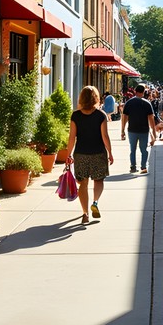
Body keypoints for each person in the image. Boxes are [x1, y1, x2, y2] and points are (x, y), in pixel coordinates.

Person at [64, 85, 114, 225]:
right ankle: (95, 202)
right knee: (98, 180)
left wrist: (68, 155)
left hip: (81, 154)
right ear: (96, 98)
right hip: (98, 153)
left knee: (83, 184)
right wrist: (110, 152)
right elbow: (105, 136)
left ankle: (85, 213)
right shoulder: (100, 115)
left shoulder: (76, 115)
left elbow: (71, 138)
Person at [120, 84, 156, 173]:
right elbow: (151, 119)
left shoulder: (129, 103)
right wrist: (154, 134)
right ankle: (143, 166)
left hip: (132, 129)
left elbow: (124, 117)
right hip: (144, 130)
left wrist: (122, 130)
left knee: (133, 149)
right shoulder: (147, 103)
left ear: (135, 91)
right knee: (144, 149)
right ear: (144, 92)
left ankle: (133, 166)